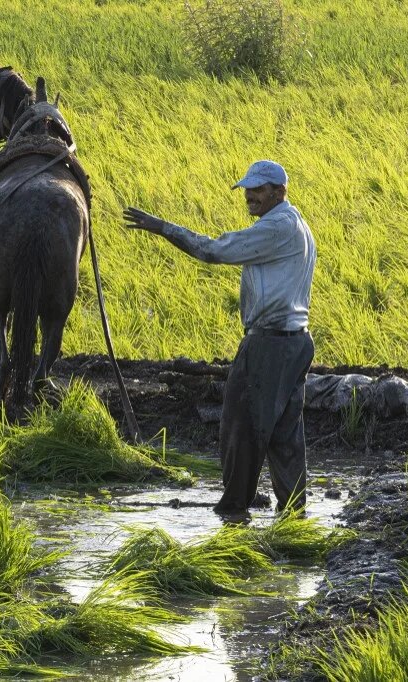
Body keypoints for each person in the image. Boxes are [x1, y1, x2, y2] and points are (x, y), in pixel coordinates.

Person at [123, 160, 316, 517]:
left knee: (241, 427)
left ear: (280, 192)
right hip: (295, 341)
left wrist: (164, 228)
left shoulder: (275, 228)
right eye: (247, 189)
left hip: (269, 344)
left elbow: (214, 250)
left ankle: (234, 512)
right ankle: (293, 515)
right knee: (284, 434)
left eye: (258, 190)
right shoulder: (298, 224)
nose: (250, 196)